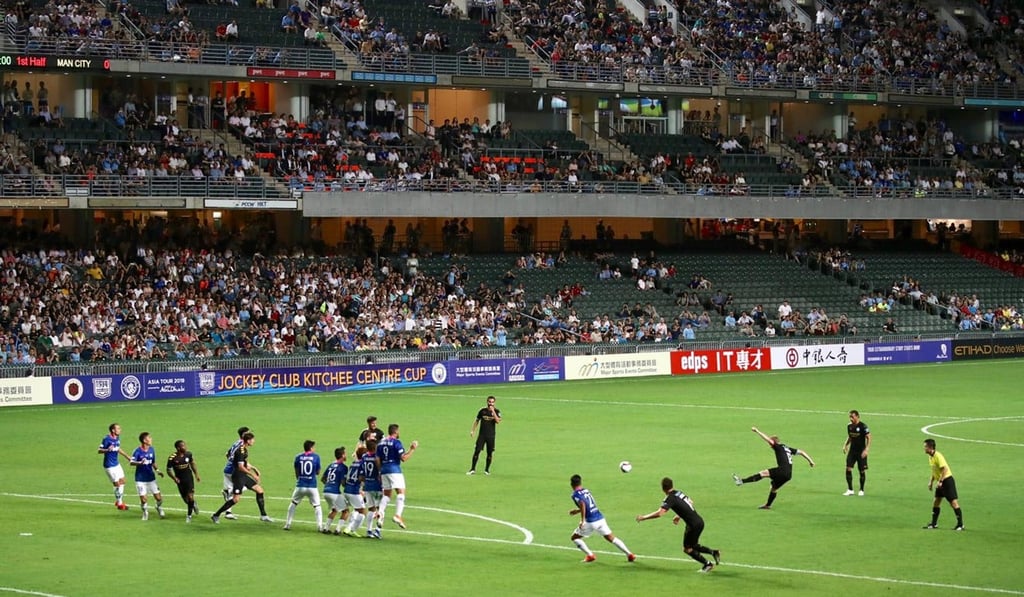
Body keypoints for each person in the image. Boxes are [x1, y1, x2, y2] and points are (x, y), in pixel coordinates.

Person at [636, 477, 720, 573]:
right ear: (672, 485)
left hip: (692, 525)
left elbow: (660, 513)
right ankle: (714, 552)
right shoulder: (679, 493)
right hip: (699, 522)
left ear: (663, 488)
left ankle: (708, 564)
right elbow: (690, 502)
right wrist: (678, 515)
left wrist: (643, 517)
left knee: (687, 549)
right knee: (694, 545)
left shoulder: (669, 498)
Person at [733, 427, 815, 509]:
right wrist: (811, 461)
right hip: (788, 475)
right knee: (774, 489)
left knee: (762, 473)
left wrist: (757, 431)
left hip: (782, 471)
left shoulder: (778, 447)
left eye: (771, 445)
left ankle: (741, 481)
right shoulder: (788, 449)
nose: (770, 446)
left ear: (774, 443)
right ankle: (768, 505)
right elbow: (802, 452)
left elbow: (767, 439)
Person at [568, 474, 635, 563]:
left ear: (571, 484)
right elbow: (589, 504)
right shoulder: (586, 491)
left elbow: (583, 504)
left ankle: (590, 555)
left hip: (591, 521)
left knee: (575, 538)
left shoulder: (575, 494)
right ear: (580, 482)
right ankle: (629, 554)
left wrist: (582, 520)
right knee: (611, 538)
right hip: (600, 518)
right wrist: (577, 511)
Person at [211, 432, 273, 523]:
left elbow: (242, 462)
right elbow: (240, 467)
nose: (254, 441)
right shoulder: (240, 451)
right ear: (248, 441)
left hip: (243, 475)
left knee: (260, 490)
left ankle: (263, 515)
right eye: (252, 440)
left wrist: (253, 468)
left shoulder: (244, 449)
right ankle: (216, 515)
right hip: (238, 476)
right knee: (235, 499)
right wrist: (253, 475)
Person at [376, 424, 418, 529]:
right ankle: (397, 515)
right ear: (396, 432)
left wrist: (380, 470)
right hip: (394, 470)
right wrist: (412, 449)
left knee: (386, 495)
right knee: (401, 492)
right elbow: (403, 458)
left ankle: (380, 513)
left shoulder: (381, 443)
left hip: (384, 470)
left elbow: (377, 459)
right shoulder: (396, 442)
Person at [923, 439, 964, 531]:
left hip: (947, 481)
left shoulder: (938, 456)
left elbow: (944, 469)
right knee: (936, 501)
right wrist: (931, 481)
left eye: (925, 446)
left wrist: (941, 481)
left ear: (930, 447)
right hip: (940, 482)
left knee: (953, 502)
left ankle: (960, 524)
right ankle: (934, 523)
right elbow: (934, 470)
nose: (924, 448)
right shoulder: (930, 457)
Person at [283, 440, 323, 532]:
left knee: (293, 503)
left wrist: (300, 479)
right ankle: (320, 526)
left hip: (300, 485)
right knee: (317, 506)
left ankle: (288, 524)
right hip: (312, 486)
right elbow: (317, 472)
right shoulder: (316, 457)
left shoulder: (298, 457)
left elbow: (296, 471)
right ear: (311, 448)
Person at [130, 432, 165, 521]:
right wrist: (139, 463)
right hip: (140, 479)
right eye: (149, 438)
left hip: (151, 478)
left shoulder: (151, 449)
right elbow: (131, 462)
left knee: (159, 498)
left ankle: (158, 507)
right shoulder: (137, 451)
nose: (151, 439)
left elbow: (153, 462)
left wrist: (157, 471)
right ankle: (145, 512)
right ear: (145, 440)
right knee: (144, 500)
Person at [98, 423, 132, 510]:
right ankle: (120, 504)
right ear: (113, 430)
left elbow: (118, 448)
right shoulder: (106, 439)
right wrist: (107, 450)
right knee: (117, 484)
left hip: (116, 464)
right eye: (118, 428)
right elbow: (99, 450)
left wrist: (127, 456)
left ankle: (118, 500)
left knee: (123, 481)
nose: (120, 430)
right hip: (109, 466)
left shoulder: (117, 437)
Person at [167, 439, 201, 522]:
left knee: (190, 496)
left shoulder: (188, 454)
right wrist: (174, 478)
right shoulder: (172, 458)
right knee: (186, 499)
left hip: (188, 478)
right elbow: (168, 470)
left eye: (185, 445)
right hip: (180, 480)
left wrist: (196, 474)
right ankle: (193, 504)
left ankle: (189, 516)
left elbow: (192, 463)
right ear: (178, 448)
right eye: (183, 446)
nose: (185, 447)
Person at [467, 395, 502, 475]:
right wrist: (473, 430)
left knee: (489, 453)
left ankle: (486, 470)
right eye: (489, 402)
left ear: (494, 403)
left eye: (492, 402)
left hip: (491, 436)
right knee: (477, 451)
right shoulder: (482, 411)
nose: (491, 404)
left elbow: (498, 421)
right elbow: (477, 420)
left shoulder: (497, 411)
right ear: (487, 402)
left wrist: (493, 411)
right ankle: (472, 469)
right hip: (482, 435)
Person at [221, 426, 250, 520]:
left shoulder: (236, 442)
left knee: (235, 492)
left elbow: (227, 454)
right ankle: (228, 492)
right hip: (233, 471)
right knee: (239, 490)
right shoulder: (241, 445)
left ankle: (228, 512)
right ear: (244, 435)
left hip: (229, 469)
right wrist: (237, 465)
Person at [340, 447, 368, 537]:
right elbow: (361, 478)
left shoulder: (353, 464)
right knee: (363, 511)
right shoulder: (362, 464)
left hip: (347, 490)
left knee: (357, 509)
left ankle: (350, 528)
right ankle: (351, 529)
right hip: (354, 491)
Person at [843, 410, 870, 496]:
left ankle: (861, 489)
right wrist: (845, 445)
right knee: (848, 468)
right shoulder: (849, 426)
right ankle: (850, 489)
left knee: (861, 470)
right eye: (850, 417)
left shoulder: (863, 426)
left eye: (852, 417)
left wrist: (866, 449)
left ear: (857, 416)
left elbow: (869, 437)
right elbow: (850, 437)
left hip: (861, 452)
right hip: (852, 451)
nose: (851, 419)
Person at [321, 446, 348, 534]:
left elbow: (323, 479)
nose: (346, 455)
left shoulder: (331, 465)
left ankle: (326, 528)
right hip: (334, 493)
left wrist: (329, 485)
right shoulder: (343, 467)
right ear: (342, 455)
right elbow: (343, 483)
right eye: (345, 453)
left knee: (334, 510)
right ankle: (338, 529)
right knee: (346, 511)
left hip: (326, 491)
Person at [361, 440, 384, 538]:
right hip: (377, 485)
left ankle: (369, 531)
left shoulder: (364, 457)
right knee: (380, 508)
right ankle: (378, 530)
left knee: (371, 509)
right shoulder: (377, 457)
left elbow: (361, 473)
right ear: (375, 448)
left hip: (367, 485)